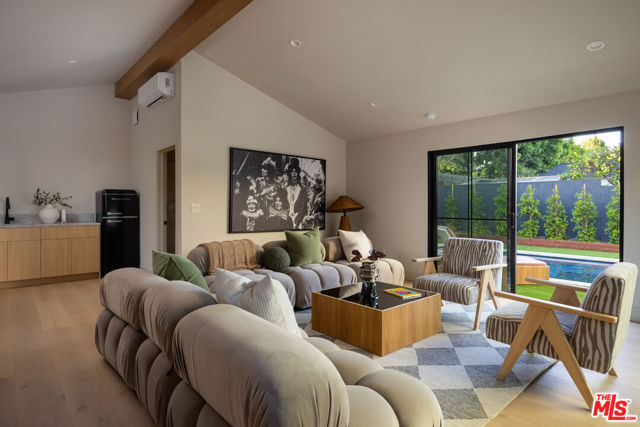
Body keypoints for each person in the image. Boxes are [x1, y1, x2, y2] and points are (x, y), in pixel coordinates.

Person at [285, 158, 310, 229]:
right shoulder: (285, 187)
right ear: (289, 173)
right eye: (292, 171)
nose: (294, 173)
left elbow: (303, 207)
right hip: (286, 219)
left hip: (298, 220)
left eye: (296, 171)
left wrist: (297, 221)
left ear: (298, 173)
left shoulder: (303, 188)